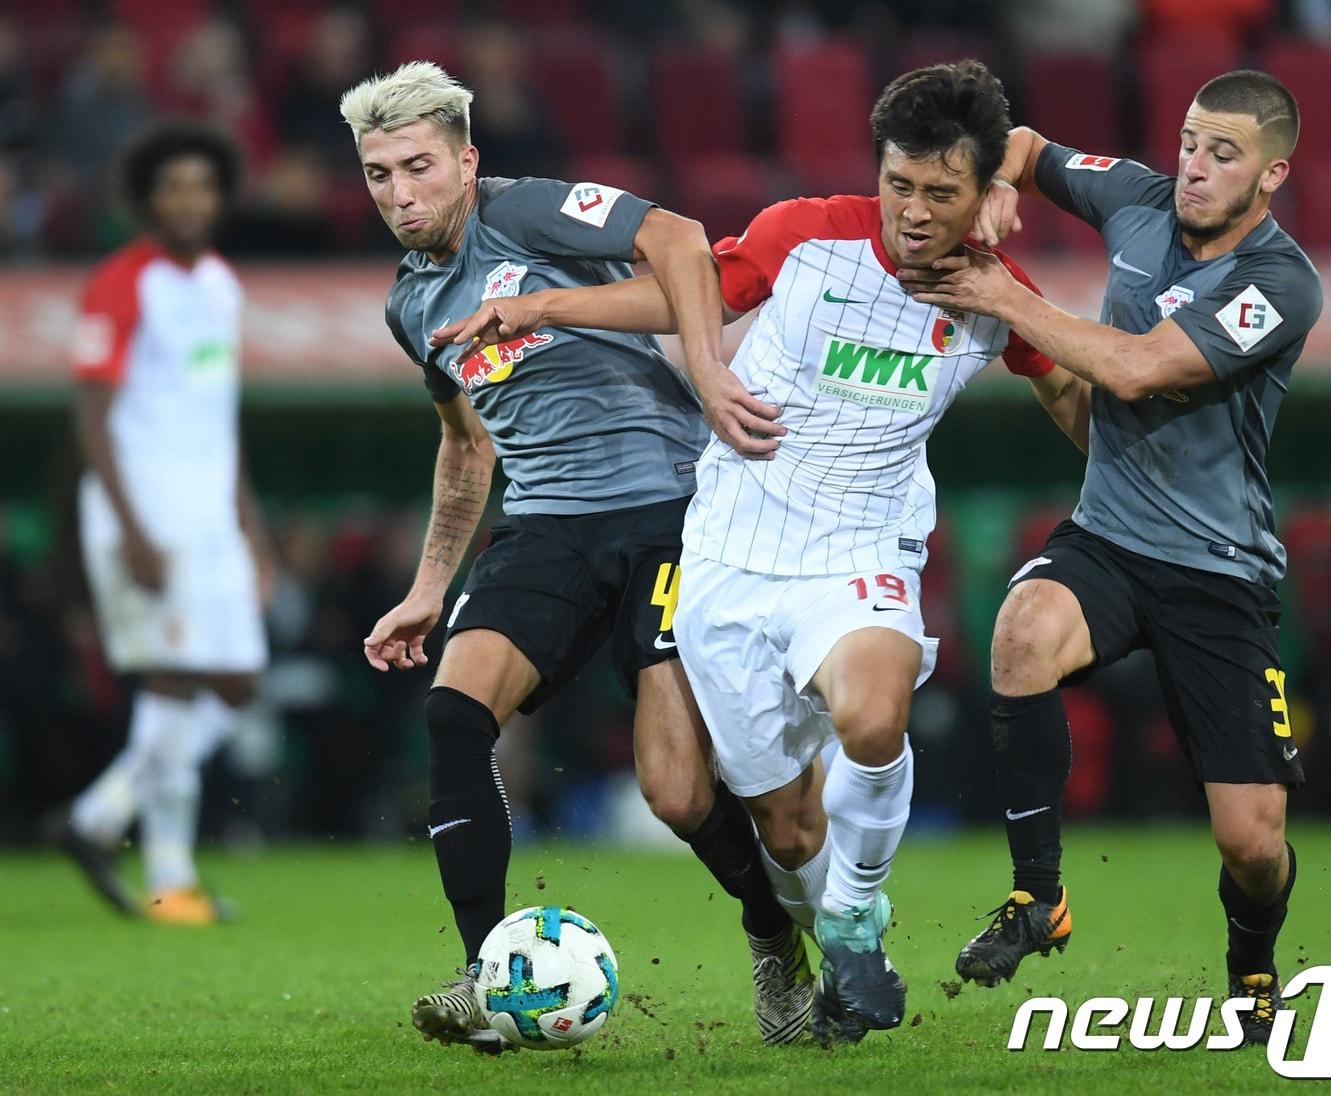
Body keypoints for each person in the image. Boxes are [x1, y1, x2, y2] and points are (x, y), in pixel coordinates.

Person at [436, 61, 1086, 1044]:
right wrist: (536, 307)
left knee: (872, 716)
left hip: (863, 544)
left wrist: (1133, 481)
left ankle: (855, 921)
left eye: (941, 192)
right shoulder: (804, 233)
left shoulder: (998, 293)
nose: (911, 211)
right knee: (780, 823)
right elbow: (680, 293)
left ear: (984, 190)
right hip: (733, 554)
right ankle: (802, 934)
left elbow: (1073, 397)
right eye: (897, 184)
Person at [339, 61, 807, 1050]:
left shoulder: (531, 214)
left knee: (676, 792)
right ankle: (485, 980)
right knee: (454, 711)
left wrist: (709, 372)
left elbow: (675, 238)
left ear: (466, 162)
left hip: (666, 515)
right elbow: (467, 446)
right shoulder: (409, 308)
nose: (399, 193)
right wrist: (429, 588)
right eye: (378, 174)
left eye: (417, 166)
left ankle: (771, 931)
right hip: (546, 526)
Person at [901, 70, 1321, 1044]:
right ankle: (1036, 895)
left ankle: (1251, 960)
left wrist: (1005, 297)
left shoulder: (1280, 283)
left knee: (1249, 842)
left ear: (1271, 174)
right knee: (1019, 632)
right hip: (1110, 537)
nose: (1192, 168)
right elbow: (1023, 141)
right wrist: (1005, 177)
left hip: (1219, 571)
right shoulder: (1135, 197)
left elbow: (1136, 367)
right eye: (1186, 142)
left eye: (1221, 154)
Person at [55, 122, 274, 925]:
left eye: (202, 185)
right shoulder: (122, 282)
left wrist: (252, 529)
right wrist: (132, 528)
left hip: (210, 515)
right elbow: (91, 410)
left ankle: (98, 815)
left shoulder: (220, 283)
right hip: (146, 514)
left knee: (239, 680)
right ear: (147, 199)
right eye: (173, 186)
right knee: (174, 680)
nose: (189, 199)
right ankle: (169, 879)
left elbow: (221, 420)